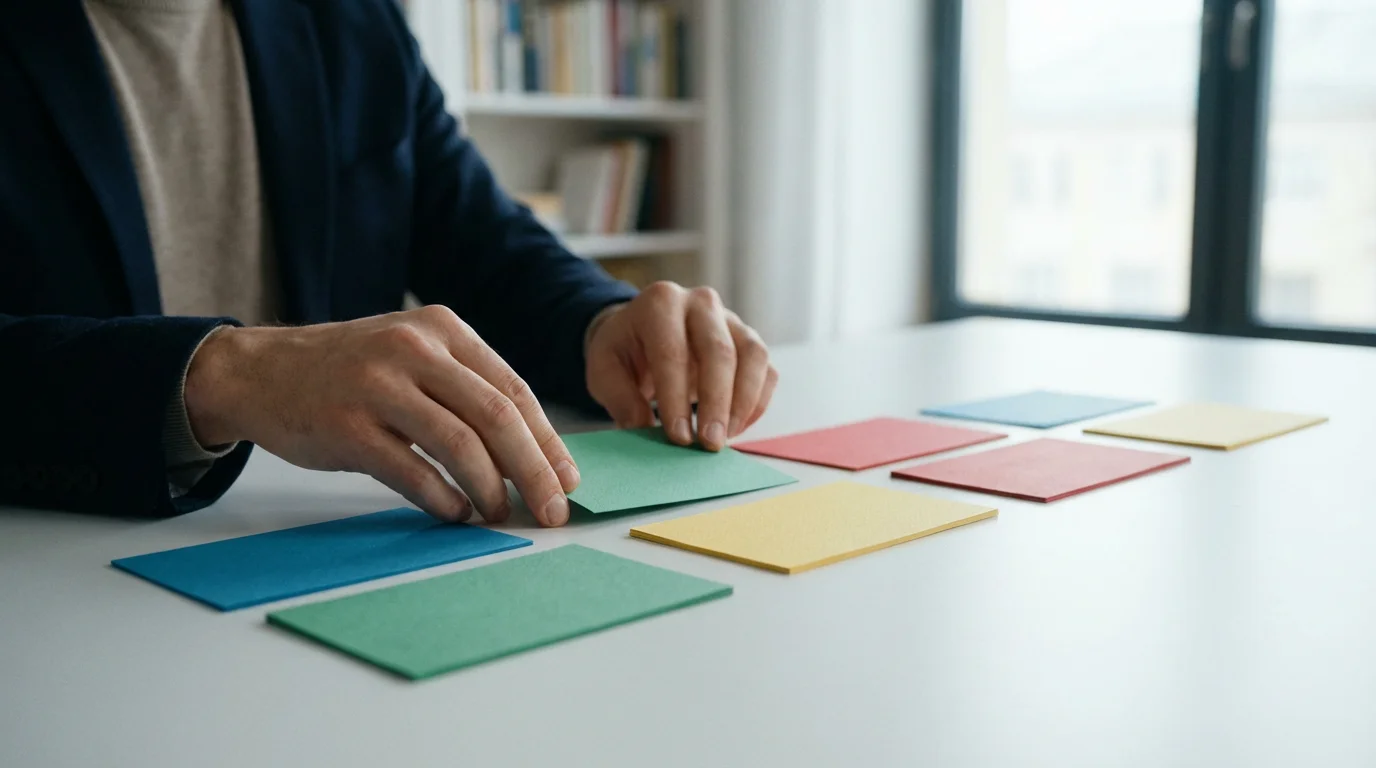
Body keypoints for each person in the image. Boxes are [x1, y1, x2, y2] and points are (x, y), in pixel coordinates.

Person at [0, 0, 776, 527]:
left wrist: (601, 320)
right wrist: (224, 376)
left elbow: (480, 235)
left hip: (343, 542)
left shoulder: (351, 19)